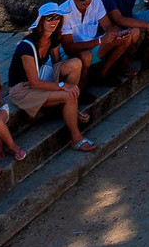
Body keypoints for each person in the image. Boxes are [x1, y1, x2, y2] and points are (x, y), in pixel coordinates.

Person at [7, 11, 95, 149]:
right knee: (69, 95)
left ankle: (68, 107)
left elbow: (56, 63)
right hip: (22, 89)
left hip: (42, 75)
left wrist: (61, 83)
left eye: (57, 19)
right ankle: (76, 138)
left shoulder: (52, 38)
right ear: (41, 21)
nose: (54, 22)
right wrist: (62, 86)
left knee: (76, 64)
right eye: (49, 19)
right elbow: (34, 82)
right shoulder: (26, 47)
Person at [56, 0, 139, 85]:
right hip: (73, 53)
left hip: (94, 45)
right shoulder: (64, 12)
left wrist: (117, 34)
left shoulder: (95, 1)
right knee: (86, 55)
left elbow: (108, 26)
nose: (87, 0)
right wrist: (99, 41)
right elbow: (68, 47)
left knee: (125, 38)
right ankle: (82, 86)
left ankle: (103, 74)